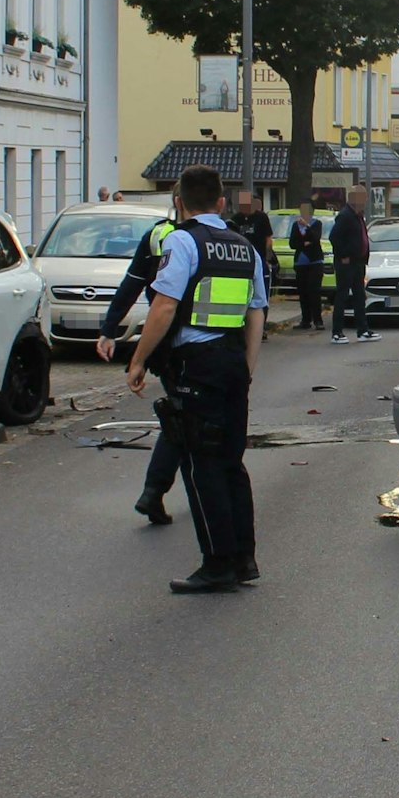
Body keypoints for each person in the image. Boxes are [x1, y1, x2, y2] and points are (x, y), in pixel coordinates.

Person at [127, 165, 269, 593]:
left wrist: (138, 360)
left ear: (179, 202)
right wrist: (247, 367)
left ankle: (217, 564)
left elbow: (164, 306)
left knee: (201, 465)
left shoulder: (182, 240)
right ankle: (244, 559)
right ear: (222, 203)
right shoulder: (245, 247)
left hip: (197, 365)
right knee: (231, 463)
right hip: (233, 362)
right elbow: (256, 312)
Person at [96, 190, 184, 524]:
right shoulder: (220, 235)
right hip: (207, 341)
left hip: (165, 339)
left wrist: (109, 329)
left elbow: (132, 284)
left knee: (179, 416)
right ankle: (163, 491)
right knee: (194, 421)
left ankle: (155, 491)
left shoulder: (157, 235)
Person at [330, 185, 380, 344]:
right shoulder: (345, 216)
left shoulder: (358, 216)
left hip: (358, 262)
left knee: (359, 297)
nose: (365, 200)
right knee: (342, 296)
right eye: (362, 197)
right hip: (347, 263)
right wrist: (343, 255)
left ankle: (363, 331)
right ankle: (337, 333)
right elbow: (334, 237)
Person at [230, 191, 281, 338]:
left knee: (260, 295)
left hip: (259, 260)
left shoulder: (261, 218)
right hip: (241, 261)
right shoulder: (235, 220)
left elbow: (268, 239)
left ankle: (260, 328)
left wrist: (268, 258)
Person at [288, 197, 327, 330]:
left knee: (314, 291)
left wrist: (307, 226)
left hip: (315, 262)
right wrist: (304, 243)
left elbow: (315, 238)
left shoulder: (317, 224)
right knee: (303, 292)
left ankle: (318, 320)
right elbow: (292, 243)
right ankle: (305, 320)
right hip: (300, 263)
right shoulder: (295, 225)